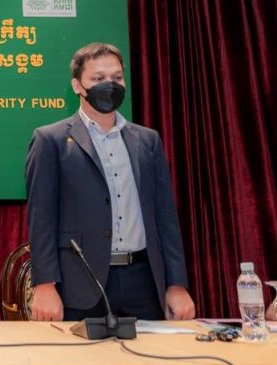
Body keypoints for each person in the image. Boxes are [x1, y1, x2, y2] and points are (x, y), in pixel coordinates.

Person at [25, 42, 195, 322]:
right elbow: (41, 218)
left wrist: (176, 284)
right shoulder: (50, 140)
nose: (110, 85)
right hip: (80, 283)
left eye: (117, 77)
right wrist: (45, 285)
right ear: (78, 86)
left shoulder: (147, 140)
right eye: (98, 78)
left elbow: (165, 217)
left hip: (143, 281)